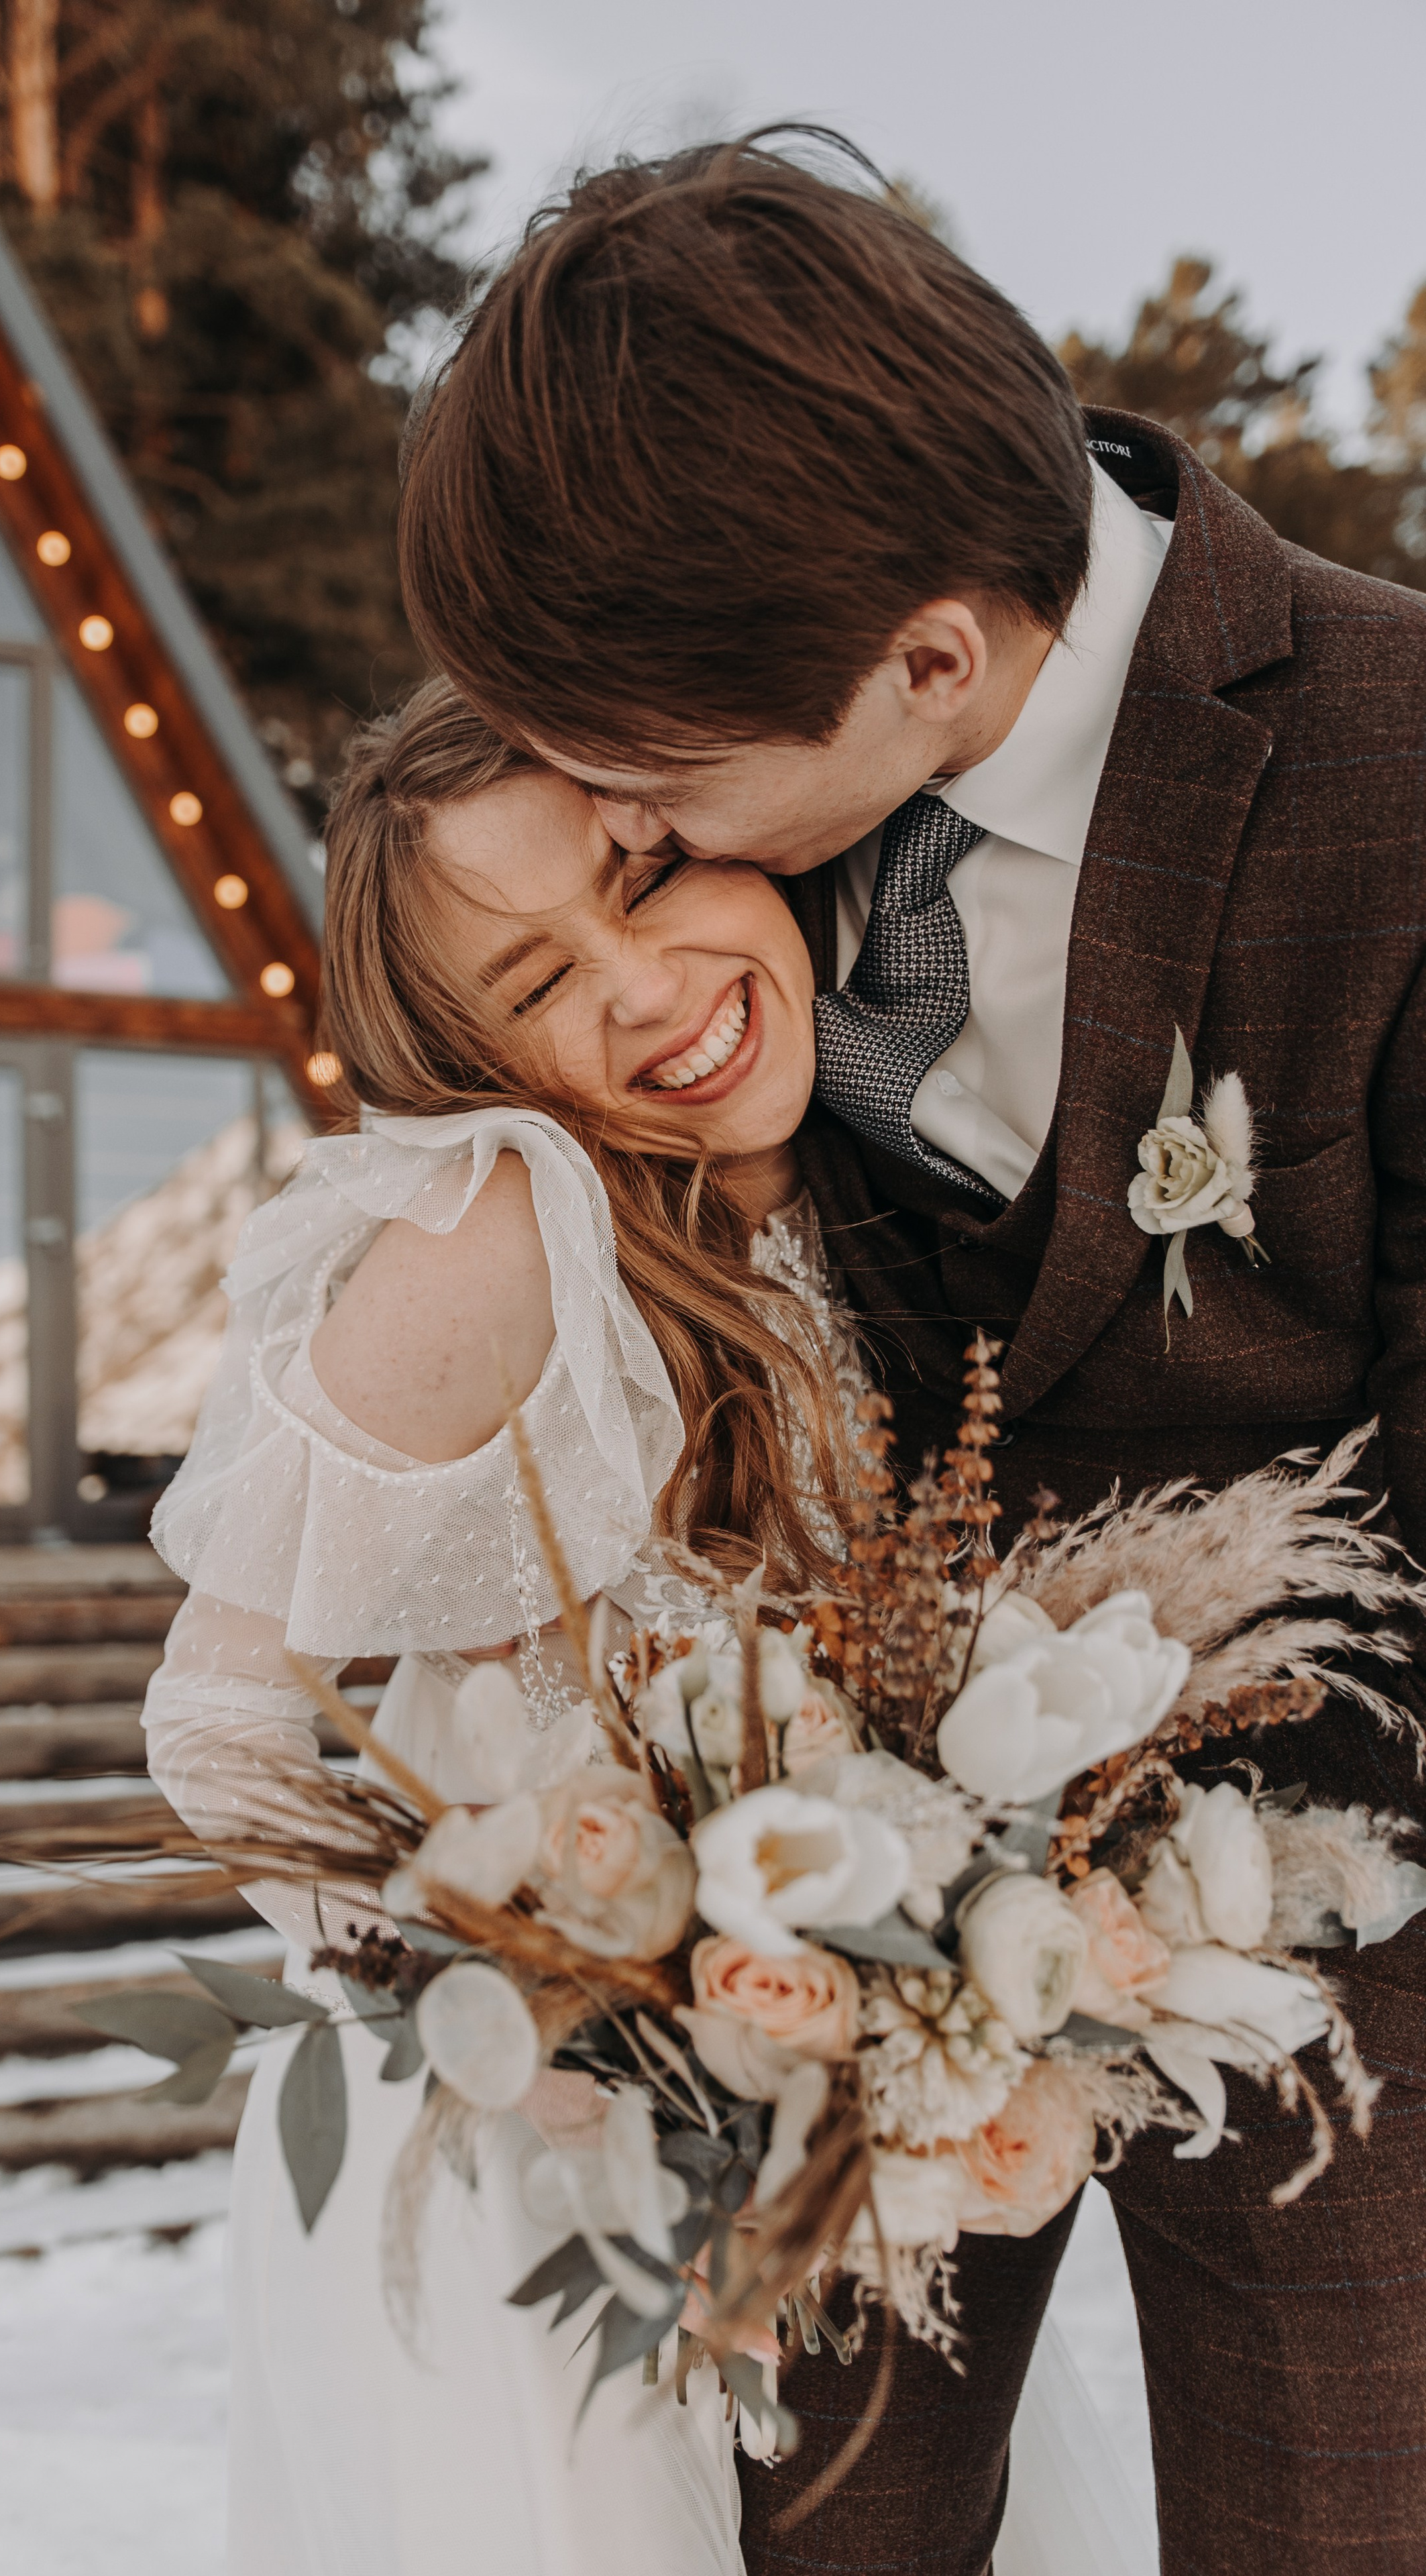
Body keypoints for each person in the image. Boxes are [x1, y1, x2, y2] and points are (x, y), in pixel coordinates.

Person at [394, 132, 1426, 2576]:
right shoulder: (734, 792)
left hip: (1357, 1925)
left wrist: (1182, 1852)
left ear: (934, 663)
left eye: (644, 778)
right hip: (819, 1924)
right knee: (811, 2531)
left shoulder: (1400, 770)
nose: (607, 812)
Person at [141, 681, 1145, 2576]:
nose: (642, 983)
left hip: (818, 2137)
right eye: (533, 986)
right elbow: (218, 1716)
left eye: (649, 868)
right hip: (552, 2178)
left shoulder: (872, 1188)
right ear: (478, 1065)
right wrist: (559, 2040)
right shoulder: (515, 1233)